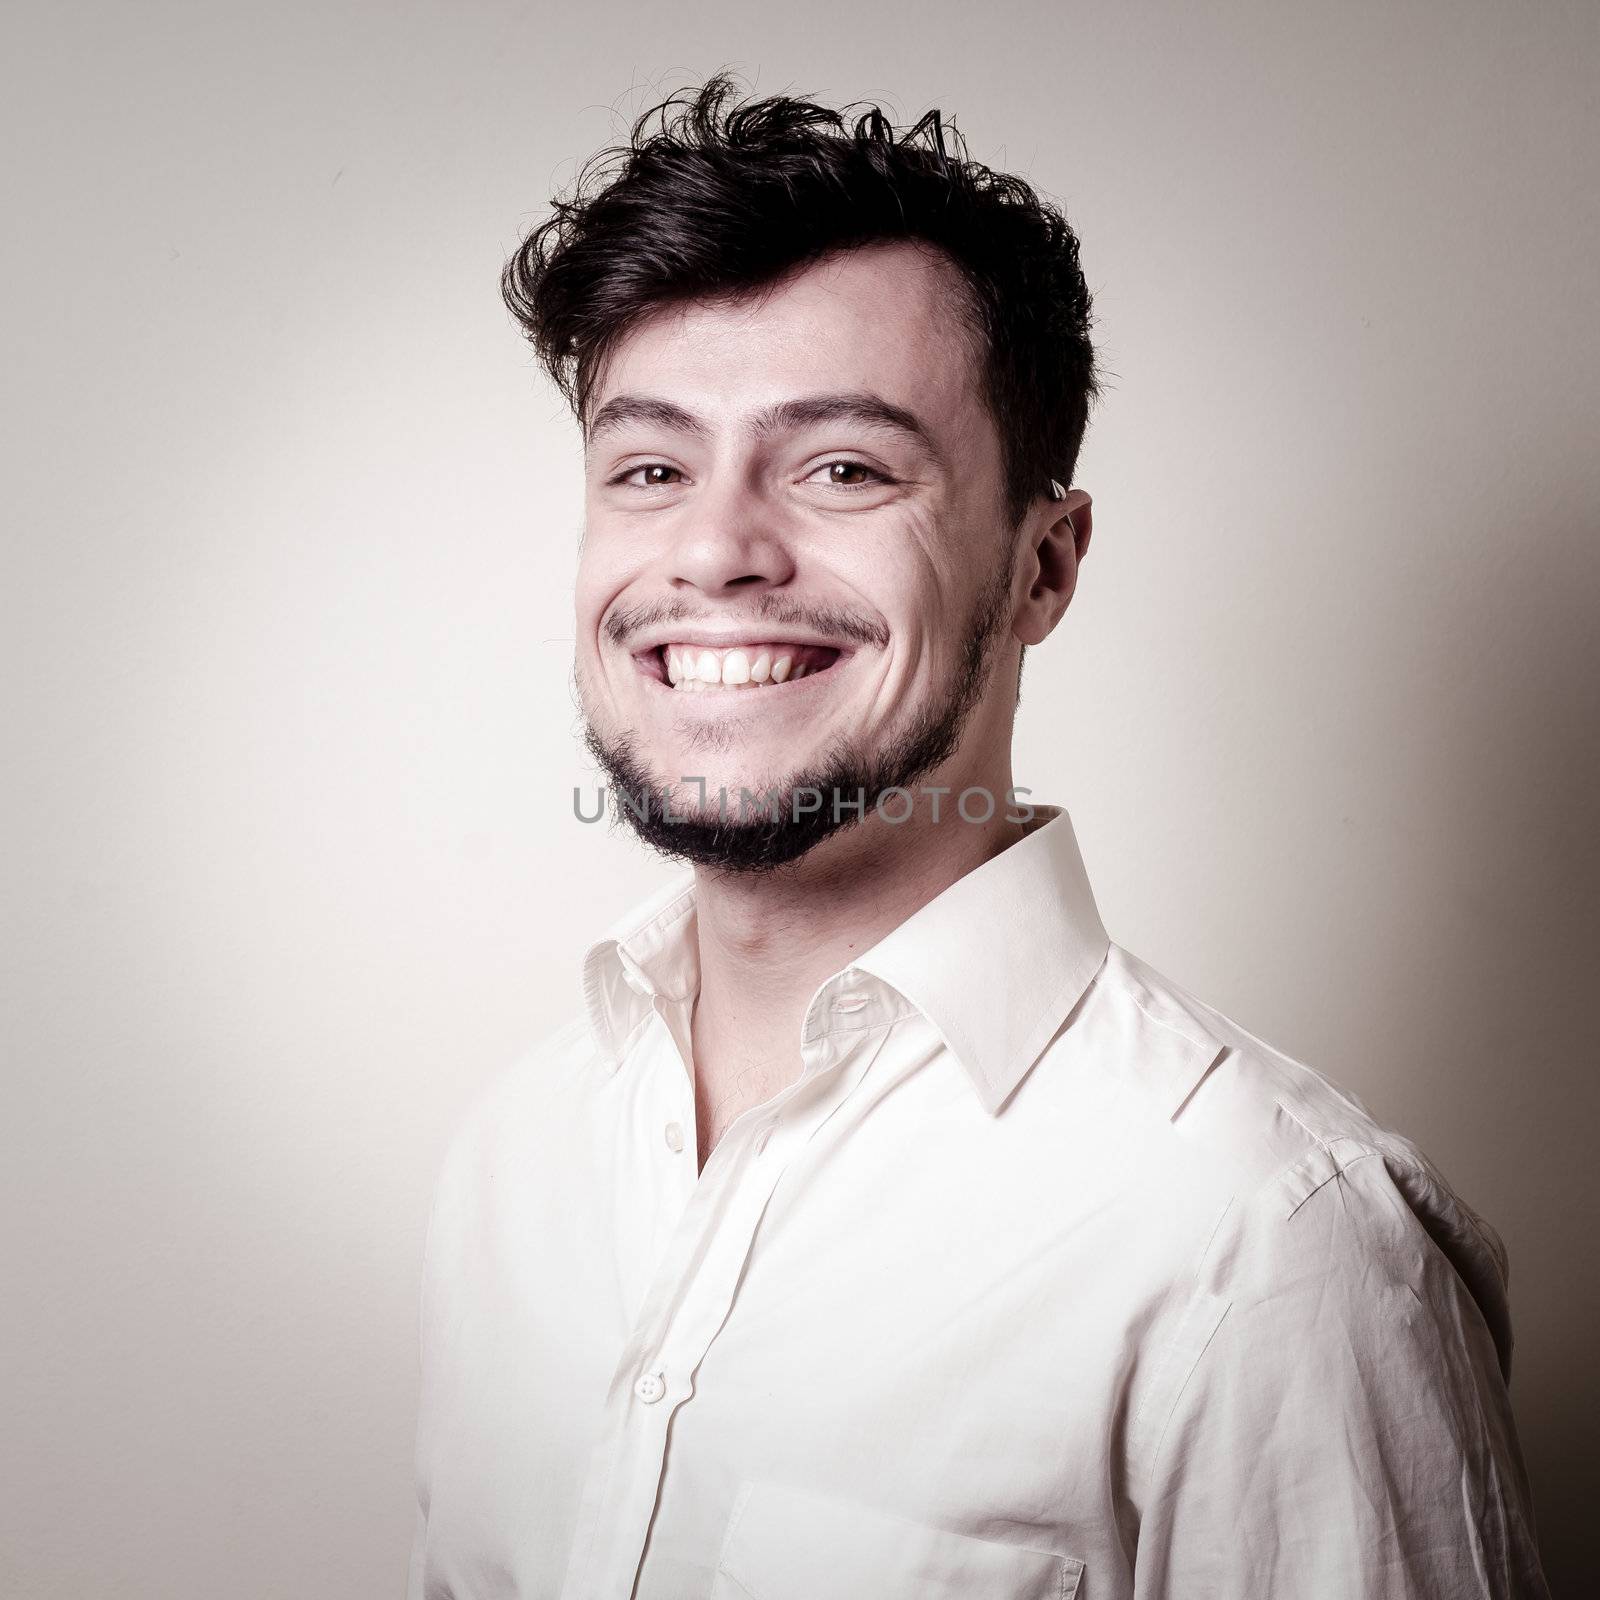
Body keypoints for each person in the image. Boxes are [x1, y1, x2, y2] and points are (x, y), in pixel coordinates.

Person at [407, 74, 1548, 1599]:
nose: (718, 549)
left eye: (845, 469)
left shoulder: (1261, 1241)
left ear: (1044, 568)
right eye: (652, 468)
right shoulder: (513, 1161)